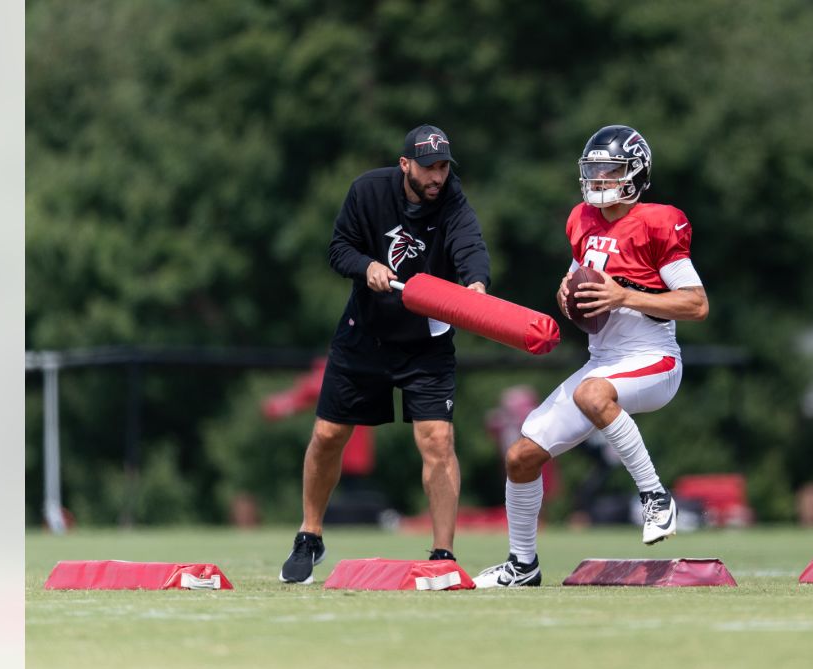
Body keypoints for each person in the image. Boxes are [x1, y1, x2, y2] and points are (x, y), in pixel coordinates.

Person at [473, 124, 709, 588]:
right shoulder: (581, 218)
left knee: (591, 393)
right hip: (602, 359)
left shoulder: (659, 222)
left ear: (636, 174)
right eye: (594, 170)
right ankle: (523, 566)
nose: (599, 179)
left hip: (653, 356)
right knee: (521, 456)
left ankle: (656, 498)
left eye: (610, 170)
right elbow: (578, 278)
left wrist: (626, 297)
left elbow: (696, 304)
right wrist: (564, 292)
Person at [280, 124, 491, 584]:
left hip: (427, 343)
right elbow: (339, 250)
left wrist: (476, 283)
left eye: (443, 167)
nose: (437, 177)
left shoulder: (452, 199)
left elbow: (469, 246)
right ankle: (310, 533)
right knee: (329, 434)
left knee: (437, 440)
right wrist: (368, 266)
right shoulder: (368, 191)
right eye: (429, 168)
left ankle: (442, 556)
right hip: (366, 335)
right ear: (405, 165)